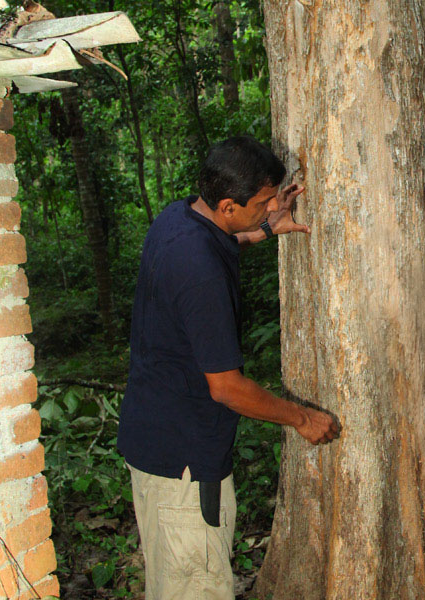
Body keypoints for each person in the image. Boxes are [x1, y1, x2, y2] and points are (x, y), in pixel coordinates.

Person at [117, 135, 339, 600]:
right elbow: (227, 388)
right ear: (226, 204)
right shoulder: (200, 270)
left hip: (157, 439)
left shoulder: (179, 220)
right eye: (262, 202)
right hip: (183, 467)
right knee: (194, 586)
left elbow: (216, 246)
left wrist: (264, 229)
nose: (270, 205)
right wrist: (303, 418)